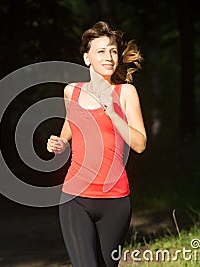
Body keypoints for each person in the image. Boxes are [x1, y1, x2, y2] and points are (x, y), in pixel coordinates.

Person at [47, 21, 146, 267]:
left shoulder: (126, 93)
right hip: (75, 197)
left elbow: (140, 144)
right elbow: (69, 128)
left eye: (113, 51)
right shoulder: (73, 92)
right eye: (101, 51)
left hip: (115, 200)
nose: (109, 56)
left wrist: (113, 114)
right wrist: (59, 144)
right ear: (86, 58)